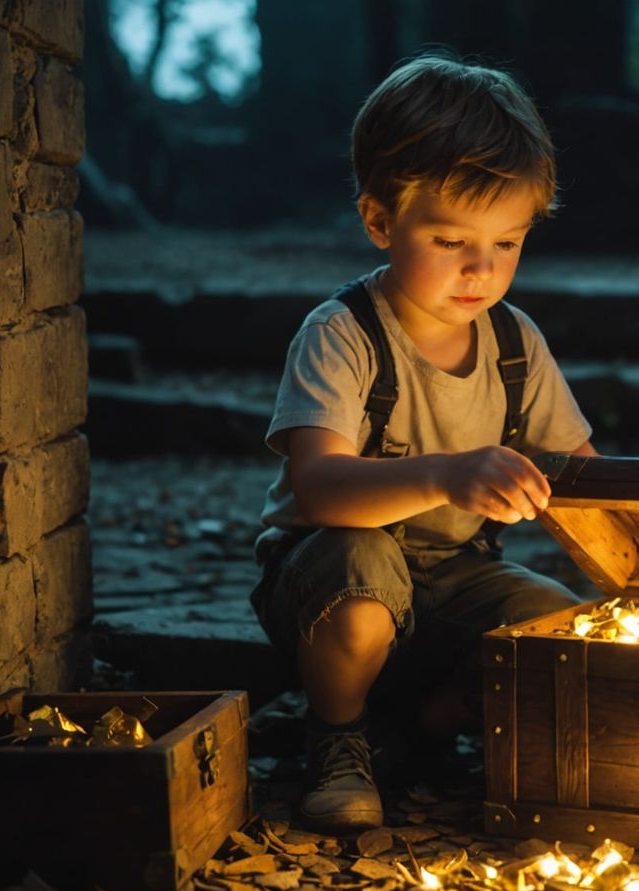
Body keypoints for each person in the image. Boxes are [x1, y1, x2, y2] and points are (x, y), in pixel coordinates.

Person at [251, 53, 596, 832]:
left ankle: (414, 733)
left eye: (507, 244)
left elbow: (584, 481)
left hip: (458, 577)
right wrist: (445, 476)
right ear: (380, 221)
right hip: (328, 572)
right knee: (364, 573)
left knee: (566, 633)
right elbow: (319, 488)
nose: (481, 270)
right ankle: (336, 738)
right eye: (450, 241)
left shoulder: (515, 344)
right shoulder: (343, 334)